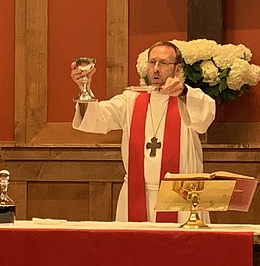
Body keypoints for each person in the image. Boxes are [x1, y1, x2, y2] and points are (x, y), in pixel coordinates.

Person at [71, 41, 216, 222]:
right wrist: (85, 88)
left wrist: (183, 93)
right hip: (136, 194)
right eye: (152, 62)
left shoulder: (189, 98)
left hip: (182, 199)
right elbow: (97, 118)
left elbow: (204, 117)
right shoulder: (131, 100)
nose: (156, 68)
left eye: (163, 63)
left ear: (177, 69)